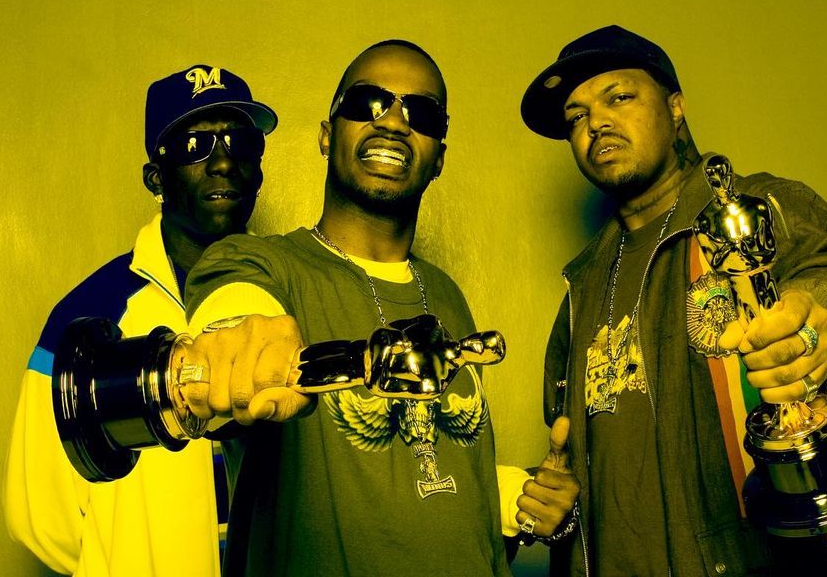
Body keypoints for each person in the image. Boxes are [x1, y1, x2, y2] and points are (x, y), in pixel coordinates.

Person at [520, 25, 827, 576]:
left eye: (619, 97)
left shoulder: (750, 210)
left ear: (676, 107)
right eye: (577, 116)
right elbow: (595, 463)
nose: (596, 124)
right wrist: (561, 509)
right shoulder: (583, 284)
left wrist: (816, 323)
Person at [176, 40, 578, 576]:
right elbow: (236, 317)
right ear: (327, 135)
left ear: (438, 157)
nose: (392, 121)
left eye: (421, 113)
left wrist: (515, 499)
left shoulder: (445, 294)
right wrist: (239, 342)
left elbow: (426, 473)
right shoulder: (257, 264)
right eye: (368, 102)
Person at [4, 65, 277, 576]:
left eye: (240, 142)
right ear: (157, 178)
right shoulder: (91, 316)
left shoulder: (288, 295)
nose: (223, 163)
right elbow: (39, 516)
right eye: (196, 146)